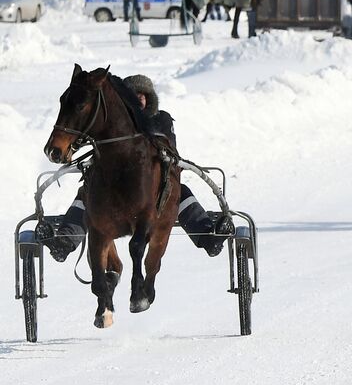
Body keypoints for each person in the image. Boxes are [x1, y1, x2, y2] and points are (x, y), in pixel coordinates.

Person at [36, 75, 232, 262]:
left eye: (142, 95)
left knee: (181, 192)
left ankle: (208, 238)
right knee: (86, 193)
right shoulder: (113, 125)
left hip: (152, 186)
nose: (138, 98)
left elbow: (171, 150)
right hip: (115, 189)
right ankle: (64, 242)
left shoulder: (161, 119)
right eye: (134, 95)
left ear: (149, 98)